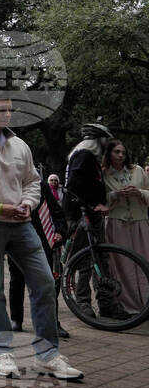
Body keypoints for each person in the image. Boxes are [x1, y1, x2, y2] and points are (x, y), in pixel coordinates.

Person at [0, 99, 82, 380]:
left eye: (9, 109)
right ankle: (4, 351)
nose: (6, 114)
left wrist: (28, 203)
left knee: (45, 283)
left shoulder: (21, 145)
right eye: (0, 108)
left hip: (23, 223)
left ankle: (48, 355)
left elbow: (32, 181)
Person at [65, 123, 129, 320]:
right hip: (82, 214)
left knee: (101, 259)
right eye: (104, 141)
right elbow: (73, 183)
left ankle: (106, 303)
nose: (105, 145)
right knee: (86, 259)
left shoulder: (89, 157)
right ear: (98, 141)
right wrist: (94, 204)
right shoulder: (84, 155)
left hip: (91, 214)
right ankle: (83, 303)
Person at [7, 177, 68, 337]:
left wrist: (60, 231)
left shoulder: (41, 185)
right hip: (15, 238)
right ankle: (16, 319)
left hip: (41, 242)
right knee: (16, 281)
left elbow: (55, 211)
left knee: (47, 283)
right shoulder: (7, 181)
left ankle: (52, 321)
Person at [101, 139, 149, 312]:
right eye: (116, 152)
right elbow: (100, 200)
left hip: (139, 221)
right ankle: (128, 305)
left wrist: (139, 192)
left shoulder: (137, 171)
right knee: (122, 265)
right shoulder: (104, 174)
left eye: (123, 152)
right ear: (109, 154)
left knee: (144, 260)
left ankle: (146, 301)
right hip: (117, 223)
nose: (121, 155)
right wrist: (116, 194)